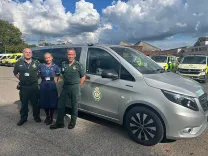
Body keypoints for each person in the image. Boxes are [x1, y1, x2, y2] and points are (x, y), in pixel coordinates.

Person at [50, 48, 85, 129]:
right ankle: (60, 123)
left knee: (74, 105)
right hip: (66, 87)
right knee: (61, 105)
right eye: (69, 54)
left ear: (75, 55)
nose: (70, 56)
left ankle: (73, 122)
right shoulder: (64, 64)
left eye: (72, 54)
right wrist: (56, 79)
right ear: (67, 55)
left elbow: (83, 77)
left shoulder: (78, 65)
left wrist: (78, 86)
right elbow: (61, 74)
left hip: (75, 87)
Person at [13, 48, 41, 126]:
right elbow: (15, 73)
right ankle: (23, 118)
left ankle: (36, 116)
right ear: (23, 54)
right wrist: (21, 78)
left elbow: (40, 73)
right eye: (26, 52)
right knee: (24, 103)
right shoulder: (19, 63)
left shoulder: (37, 63)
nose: (28, 53)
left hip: (34, 86)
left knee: (35, 102)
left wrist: (35, 79)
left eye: (29, 52)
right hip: (24, 86)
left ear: (31, 54)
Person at [39, 53, 60, 125]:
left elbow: (57, 76)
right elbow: (38, 74)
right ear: (44, 59)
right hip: (44, 83)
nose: (48, 59)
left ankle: (51, 117)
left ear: (52, 58)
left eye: (49, 57)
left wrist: (55, 82)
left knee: (52, 101)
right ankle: (47, 116)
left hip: (51, 84)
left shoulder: (55, 67)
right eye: (46, 58)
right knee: (45, 101)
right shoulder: (41, 66)